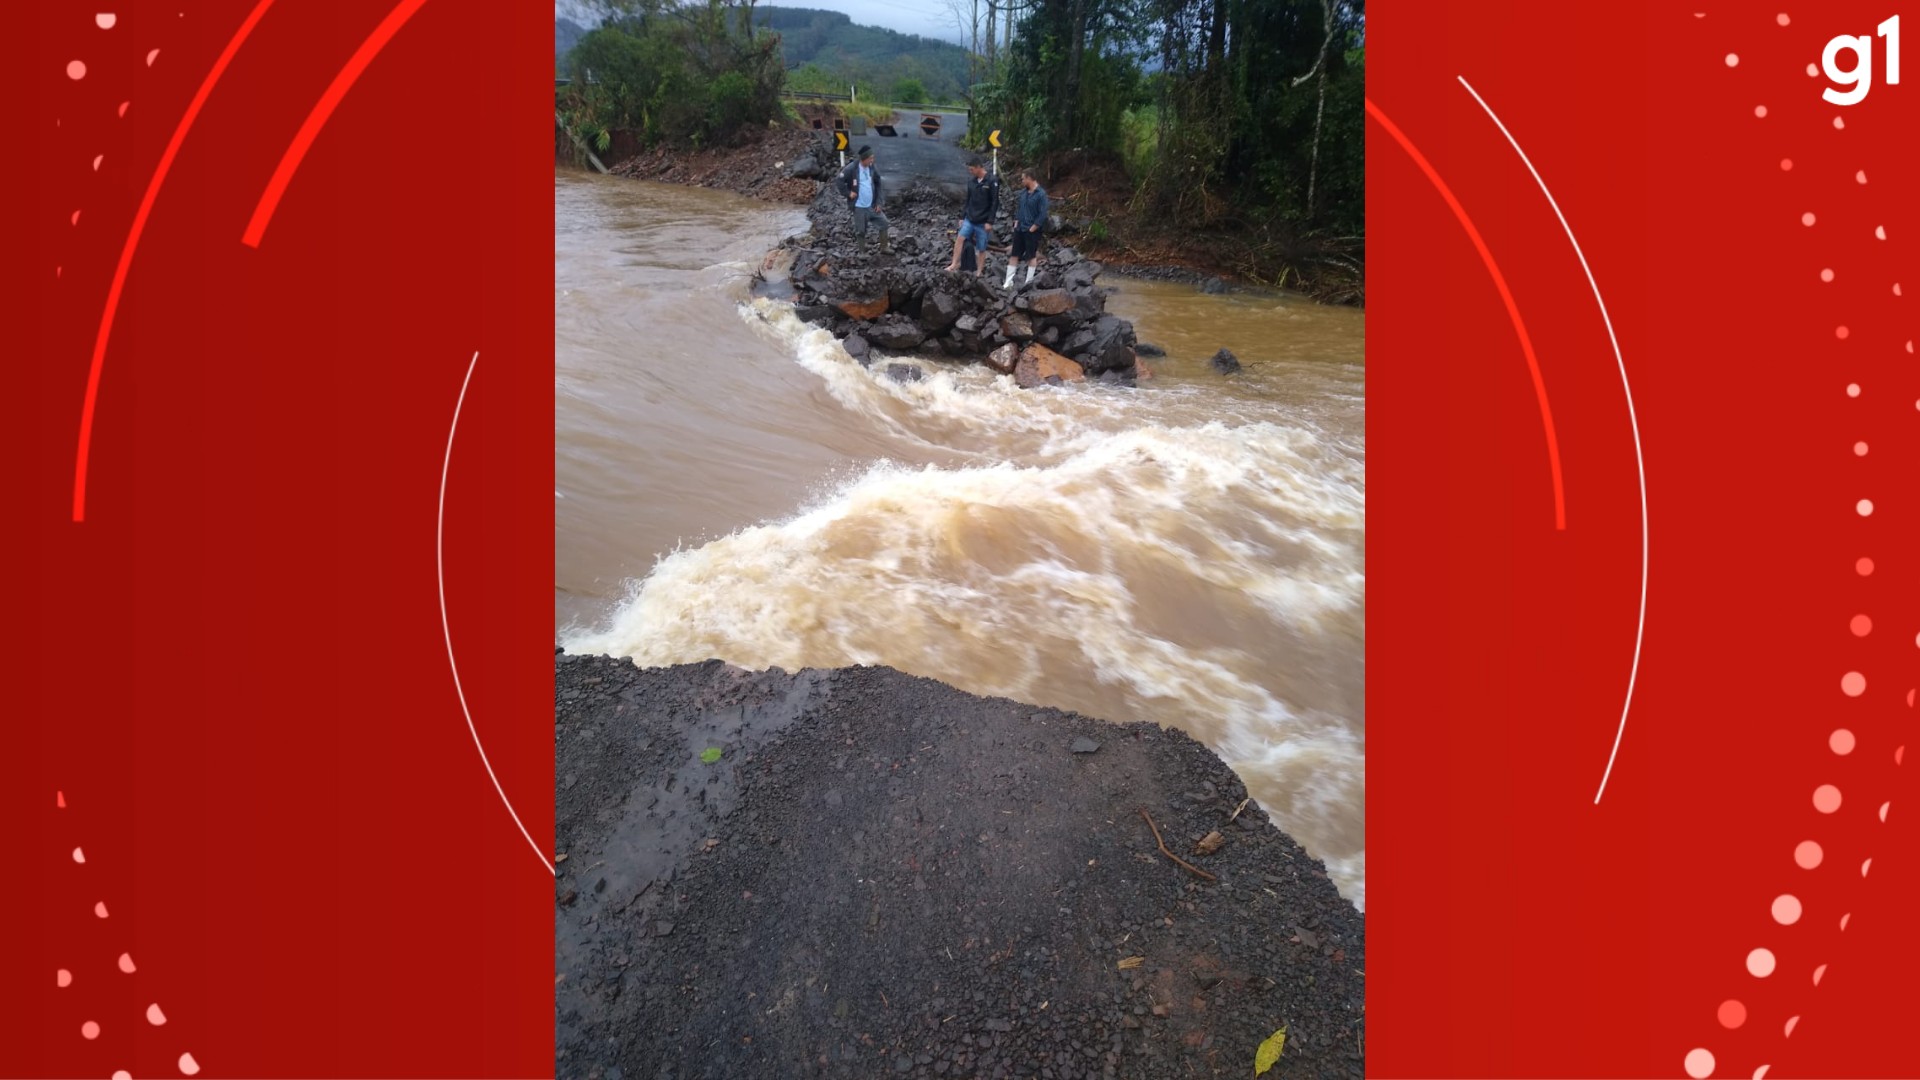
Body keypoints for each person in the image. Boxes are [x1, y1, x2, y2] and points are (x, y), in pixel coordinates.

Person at [945, 158, 999, 276]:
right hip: (970, 218)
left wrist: (990, 221)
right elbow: (968, 200)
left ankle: (979, 271)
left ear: (979, 167)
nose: (970, 172)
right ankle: (954, 264)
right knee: (960, 238)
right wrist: (962, 217)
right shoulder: (972, 182)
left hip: (983, 221)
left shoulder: (991, 181)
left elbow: (995, 202)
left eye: (972, 169)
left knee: (981, 247)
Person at [838, 146, 890, 253]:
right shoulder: (851, 168)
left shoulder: (871, 167)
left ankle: (884, 247)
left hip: (871, 205)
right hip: (859, 207)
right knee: (861, 231)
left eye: (872, 158)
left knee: (884, 223)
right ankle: (862, 252)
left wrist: (878, 202)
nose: (872, 160)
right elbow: (839, 181)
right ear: (863, 158)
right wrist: (848, 193)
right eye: (870, 158)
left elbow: (878, 182)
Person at [1004, 169, 1049, 289]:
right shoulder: (1023, 193)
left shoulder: (1041, 194)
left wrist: (1034, 227)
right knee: (1014, 255)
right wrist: (1016, 222)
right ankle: (1008, 282)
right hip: (1020, 228)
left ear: (1030, 178)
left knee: (1031, 256)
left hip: (1031, 230)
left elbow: (1043, 213)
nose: (1022, 181)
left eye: (1023, 178)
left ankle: (1028, 282)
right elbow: (1020, 209)